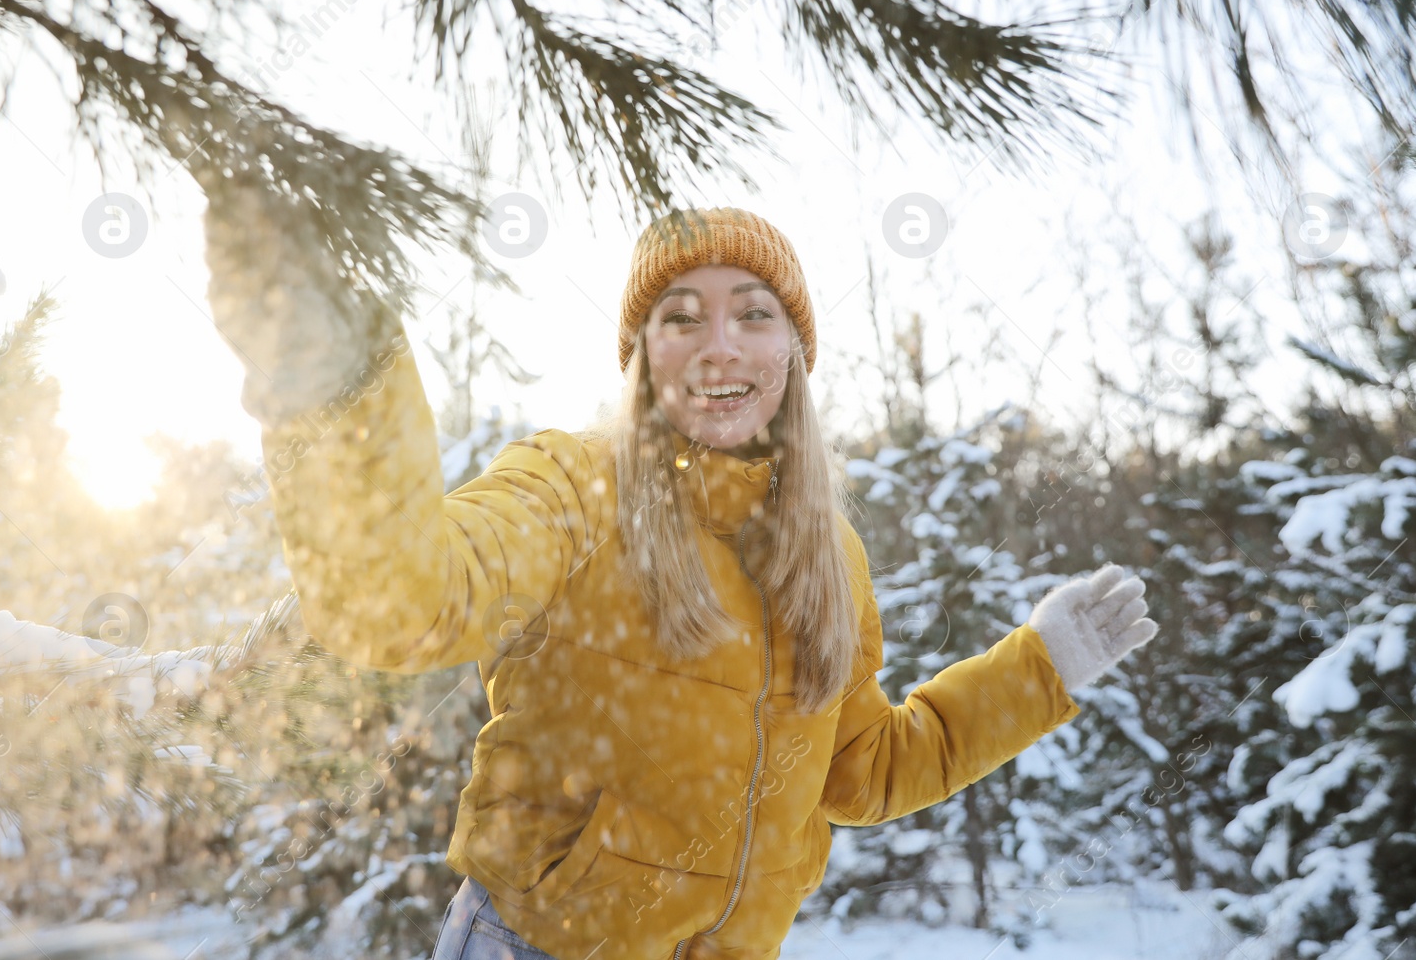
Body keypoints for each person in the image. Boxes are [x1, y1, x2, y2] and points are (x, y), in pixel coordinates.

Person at [203, 196, 1158, 960]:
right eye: (680, 316)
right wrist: (335, 387)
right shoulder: (577, 486)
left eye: (754, 313)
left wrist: (1042, 667)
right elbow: (408, 604)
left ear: (793, 352)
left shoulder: (831, 553)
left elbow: (866, 769)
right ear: (641, 355)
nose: (721, 346)